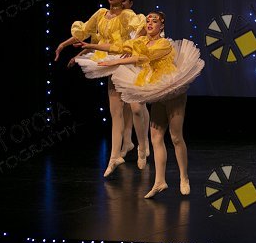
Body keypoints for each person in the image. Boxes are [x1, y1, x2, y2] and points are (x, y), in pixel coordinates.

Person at [79, 11, 204, 199]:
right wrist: (91, 45)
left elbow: (143, 58)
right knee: (156, 137)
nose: (150, 23)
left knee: (176, 137)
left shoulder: (164, 44)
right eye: (148, 20)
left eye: (155, 21)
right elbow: (117, 47)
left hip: (172, 88)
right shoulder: (141, 41)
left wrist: (116, 62)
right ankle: (160, 181)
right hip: (156, 88)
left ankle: (184, 177)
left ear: (162, 25)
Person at [55, 0, 149, 177]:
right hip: (108, 60)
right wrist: (63, 45)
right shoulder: (100, 14)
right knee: (116, 112)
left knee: (136, 108)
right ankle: (114, 157)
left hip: (126, 60)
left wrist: (133, 44)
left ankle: (142, 146)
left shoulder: (127, 15)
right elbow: (84, 32)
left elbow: (141, 28)